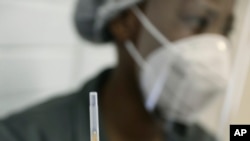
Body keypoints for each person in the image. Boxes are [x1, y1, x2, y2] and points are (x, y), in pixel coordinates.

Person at [0, 0, 234, 141]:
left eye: (226, 29)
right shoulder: (24, 136)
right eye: (197, 20)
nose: (217, 46)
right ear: (124, 20)